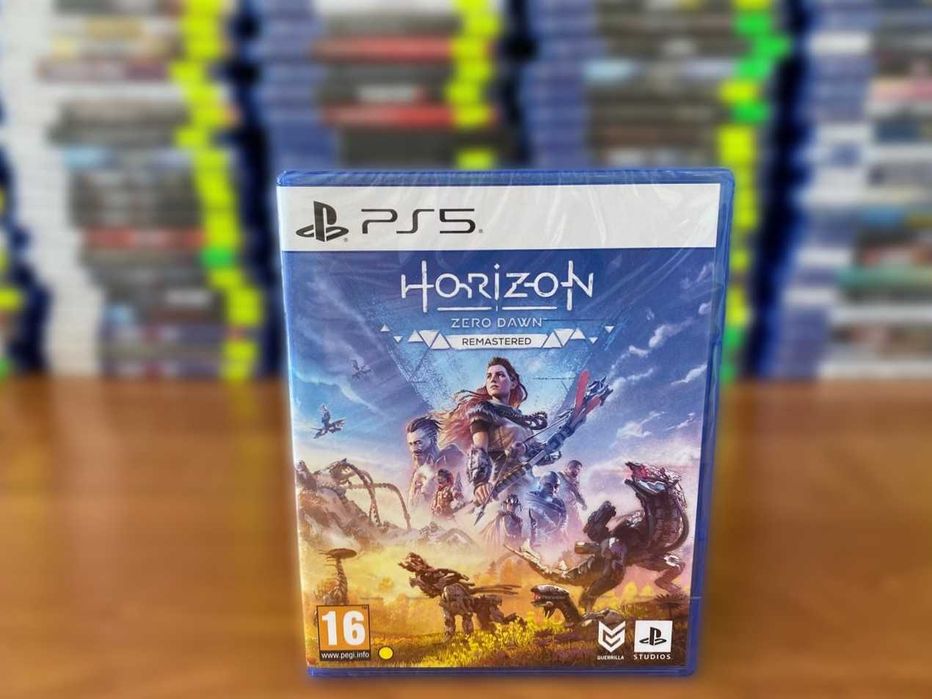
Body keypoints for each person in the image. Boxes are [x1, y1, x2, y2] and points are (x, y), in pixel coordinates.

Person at [438, 356, 558, 507]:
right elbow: (479, 450)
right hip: (501, 490)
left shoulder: (521, 419)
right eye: (489, 376)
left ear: (513, 382)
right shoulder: (482, 412)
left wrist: (559, 439)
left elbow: (538, 455)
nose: (493, 379)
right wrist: (480, 483)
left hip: (528, 488)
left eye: (500, 375)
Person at [405, 415, 464, 510]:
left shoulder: (452, 456)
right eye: (411, 444)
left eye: (418, 443)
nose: (413, 449)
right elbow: (411, 509)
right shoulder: (418, 474)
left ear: (432, 439)